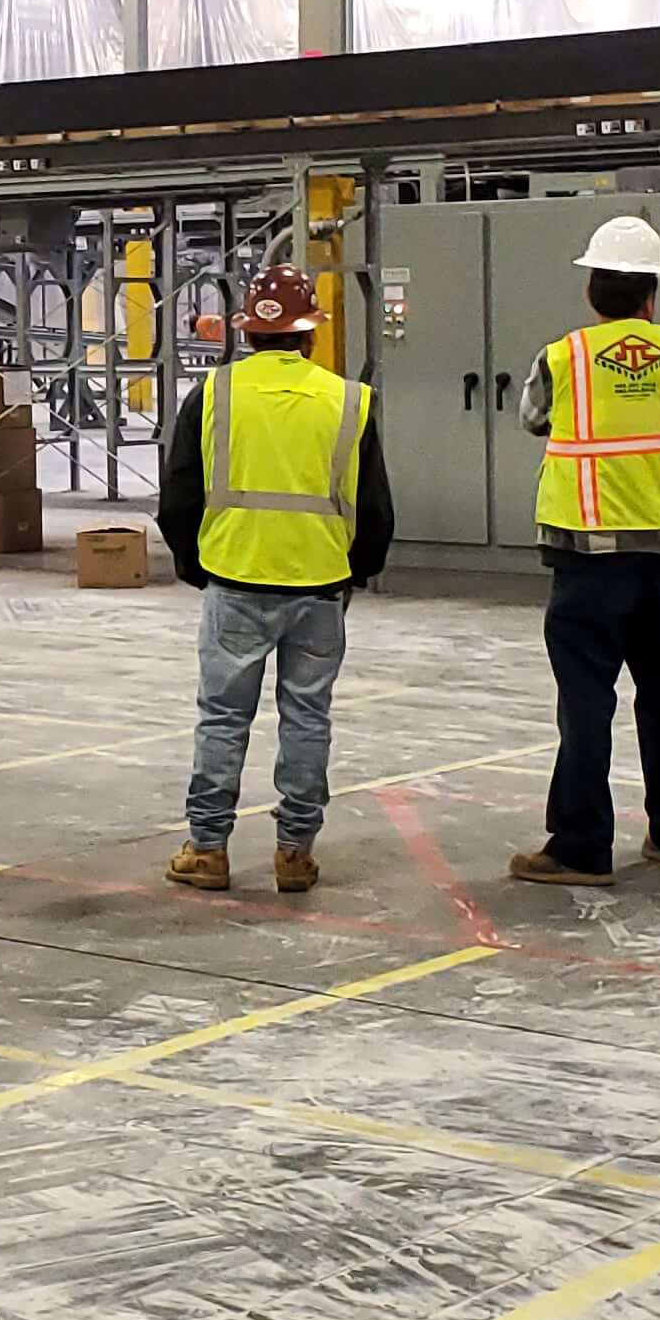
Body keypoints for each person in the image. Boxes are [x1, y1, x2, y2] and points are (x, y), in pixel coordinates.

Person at [155, 268, 394, 895]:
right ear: (309, 334)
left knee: (222, 717)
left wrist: (193, 562)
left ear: (250, 334)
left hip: (235, 577)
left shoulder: (213, 393)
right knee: (308, 716)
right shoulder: (350, 399)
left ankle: (208, 849)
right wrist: (355, 572)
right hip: (319, 585)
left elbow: (178, 491)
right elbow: (374, 508)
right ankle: (295, 852)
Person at [507, 215, 660, 889]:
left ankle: (583, 845)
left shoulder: (562, 358)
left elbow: (534, 419)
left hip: (589, 555)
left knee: (588, 702)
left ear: (593, 290)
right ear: (653, 295)